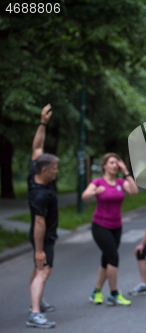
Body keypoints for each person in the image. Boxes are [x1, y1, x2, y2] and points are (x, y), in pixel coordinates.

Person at [82, 152, 139, 306]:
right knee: (113, 257)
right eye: (112, 162)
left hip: (116, 227)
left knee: (106, 259)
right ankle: (114, 294)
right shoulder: (98, 182)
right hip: (100, 226)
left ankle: (96, 292)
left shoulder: (121, 182)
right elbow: (84, 196)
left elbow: (134, 191)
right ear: (104, 166)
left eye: (116, 163)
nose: (115, 166)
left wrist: (126, 171)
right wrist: (95, 192)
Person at [26, 104, 59, 329]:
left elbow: (37, 146)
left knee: (39, 271)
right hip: (43, 237)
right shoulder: (41, 195)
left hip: (44, 236)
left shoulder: (35, 173)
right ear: (45, 170)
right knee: (43, 270)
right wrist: (39, 249)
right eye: (55, 168)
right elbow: (39, 223)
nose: (57, 171)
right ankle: (35, 314)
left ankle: (34, 304)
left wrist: (42, 123)